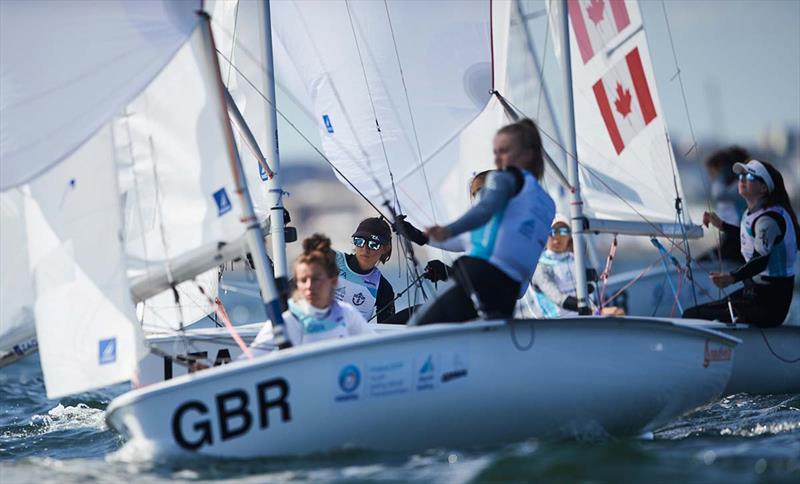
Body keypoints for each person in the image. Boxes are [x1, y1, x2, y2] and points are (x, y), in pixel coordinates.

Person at [408, 119, 555, 324]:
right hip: (508, 293)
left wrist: (447, 230)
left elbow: (484, 210)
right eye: (495, 152)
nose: (497, 159)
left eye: (504, 151)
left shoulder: (504, 179)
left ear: (527, 154)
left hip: (476, 276)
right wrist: (422, 238)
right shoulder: (547, 204)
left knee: (417, 328)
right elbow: (472, 239)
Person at [683, 159, 798, 327]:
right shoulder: (756, 213)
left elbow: (760, 260)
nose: (742, 179)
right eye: (741, 175)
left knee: (691, 315)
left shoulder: (768, 220)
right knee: (695, 313)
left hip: (769, 305)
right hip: (754, 294)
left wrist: (732, 277)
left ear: (764, 187)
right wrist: (722, 225)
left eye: (750, 176)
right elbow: (750, 238)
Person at [249, 234, 375, 354]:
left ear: (333, 281)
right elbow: (248, 360)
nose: (309, 286)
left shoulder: (347, 314)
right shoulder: (286, 322)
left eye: (316, 279)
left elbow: (376, 350)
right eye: (303, 280)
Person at [334, 217, 396, 324]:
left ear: (385, 248)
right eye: (360, 241)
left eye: (373, 244)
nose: (365, 249)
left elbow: (388, 331)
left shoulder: (384, 288)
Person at [701, 146, 749, 262]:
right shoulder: (731, 187)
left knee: (702, 262)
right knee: (703, 260)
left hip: (737, 238)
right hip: (730, 235)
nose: (711, 178)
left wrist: (720, 175)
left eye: (712, 173)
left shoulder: (739, 186)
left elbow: (719, 194)